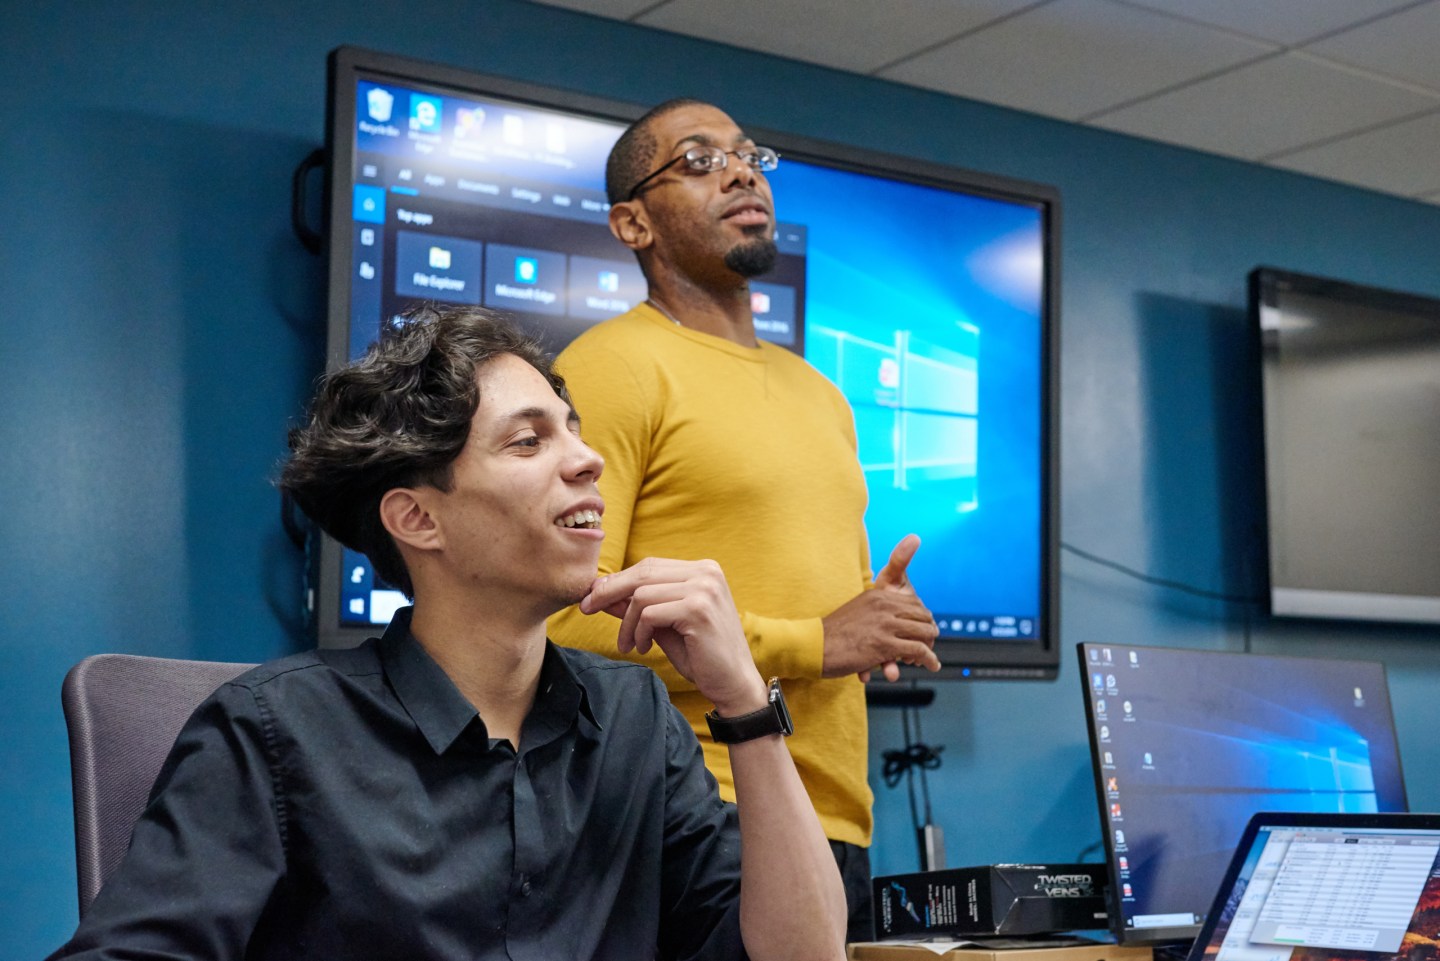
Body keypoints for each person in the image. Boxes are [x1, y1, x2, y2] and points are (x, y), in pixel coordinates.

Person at [50, 305, 845, 961]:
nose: (589, 461)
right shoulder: (275, 730)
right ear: (418, 517)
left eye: (573, 430)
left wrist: (743, 700)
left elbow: (804, 953)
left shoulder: (636, 720)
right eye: (530, 440)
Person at [547, 99, 941, 943]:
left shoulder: (821, 394)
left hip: (836, 819)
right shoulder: (609, 367)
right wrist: (815, 639)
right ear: (632, 222)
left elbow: (825, 620)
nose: (741, 171)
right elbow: (560, 617)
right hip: (695, 804)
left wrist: (879, 626)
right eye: (697, 159)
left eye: (749, 154)